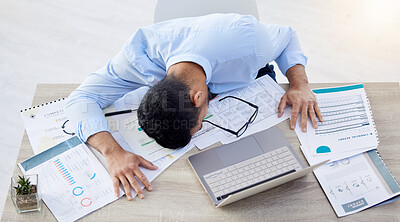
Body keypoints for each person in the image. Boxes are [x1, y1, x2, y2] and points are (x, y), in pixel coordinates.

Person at [65, 13, 323, 201]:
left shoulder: (251, 43)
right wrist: (112, 152)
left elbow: (288, 36)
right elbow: (81, 98)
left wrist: (299, 83)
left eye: (198, 125)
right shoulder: (138, 59)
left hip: (248, 77)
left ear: (198, 99)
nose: (200, 126)